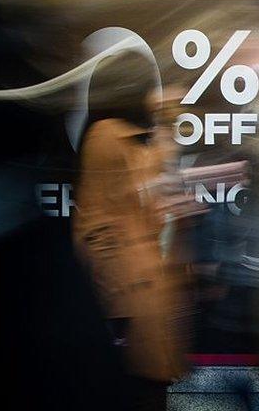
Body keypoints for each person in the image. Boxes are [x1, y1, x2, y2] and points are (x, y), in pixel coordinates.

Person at [74, 50, 190, 411]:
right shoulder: (107, 137)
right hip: (127, 299)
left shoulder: (130, 137)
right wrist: (116, 308)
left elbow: (147, 197)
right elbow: (98, 228)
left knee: (147, 392)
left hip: (141, 294)